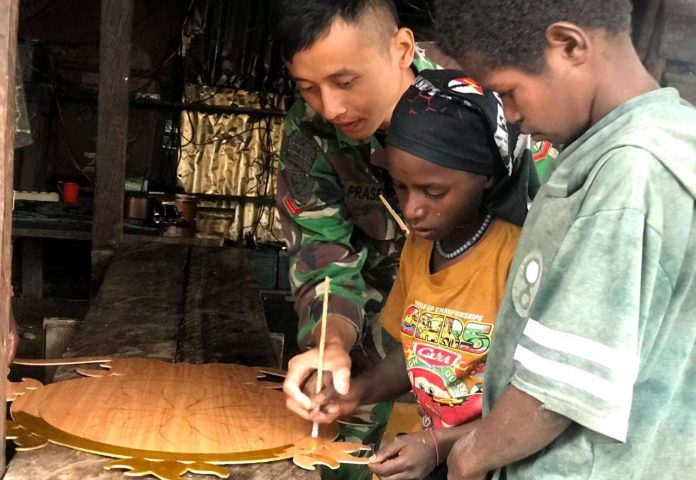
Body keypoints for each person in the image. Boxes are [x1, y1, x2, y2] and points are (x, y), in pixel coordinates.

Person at [430, 1, 696, 479]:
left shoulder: (630, 171)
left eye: (507, 92)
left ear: (569, 45)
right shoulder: (659, 141)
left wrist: (469, 457)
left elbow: (555, 392)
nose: (509, 116)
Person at [310, 69, 534, 480]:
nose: (412, 210)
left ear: (485, 176)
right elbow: (414, 356)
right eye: (400, 187)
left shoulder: (518, 258)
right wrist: (355, 393)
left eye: (433, 192)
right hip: (437, 460)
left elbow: (537, 402)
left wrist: (437, 446)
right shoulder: (421, 246)